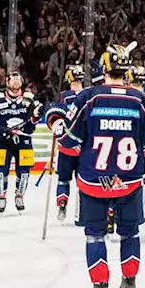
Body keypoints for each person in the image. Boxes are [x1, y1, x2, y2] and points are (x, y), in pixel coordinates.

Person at [65, 44, 145, 288]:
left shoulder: (88, 97)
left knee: (95, 236)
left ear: (103, 69)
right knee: (130, 233)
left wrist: (60, 127)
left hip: (94, 181)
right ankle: (129, 285)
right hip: (129, 182)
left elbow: (70, 139)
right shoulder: (140, 100)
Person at [0, 70, 42, 213]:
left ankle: (19, 196)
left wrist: (36, 115)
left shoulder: (30, 98)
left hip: (24, 140)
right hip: (4, 140)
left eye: (18, 79)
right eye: (13, 79)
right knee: (0, 173)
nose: (16, 81)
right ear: (7, 82)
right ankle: (1, 198)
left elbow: (38, 113)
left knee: (24, 173)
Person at [43, 64, 85, 222]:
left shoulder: (63, 96)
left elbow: (57, 122)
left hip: (66, 148)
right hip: (83, 148)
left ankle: (62, 203)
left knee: (63, 179)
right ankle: (81, 213)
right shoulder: (88, 95)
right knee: (83, 182)